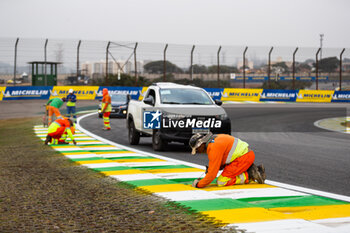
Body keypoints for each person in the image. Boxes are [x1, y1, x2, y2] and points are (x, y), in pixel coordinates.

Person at [189, 132, 266, 188]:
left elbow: (212, 175)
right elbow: (223, 159)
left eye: (197, 149)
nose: (198, 152)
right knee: (224, 175)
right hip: (244, 155)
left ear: (200, 144)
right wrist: (214, 168)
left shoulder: (213, 148)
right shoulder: (215, 139)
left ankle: (250, 174)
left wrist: (198, 184)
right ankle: (249, 169)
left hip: (243, 158)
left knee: (222, 181)